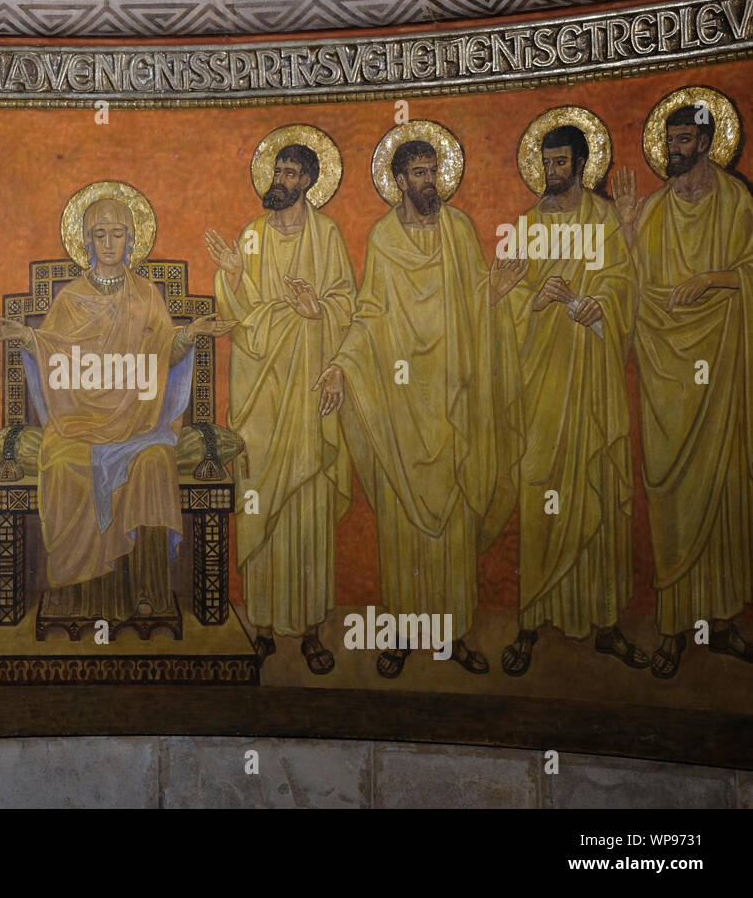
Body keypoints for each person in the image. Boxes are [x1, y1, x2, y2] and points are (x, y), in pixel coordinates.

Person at [317, 132, 523, 678]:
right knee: (404, 525)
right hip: (401, 403)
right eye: (419, 173)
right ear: (399, 181)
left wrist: (495, 294)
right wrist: (340, 364)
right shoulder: (384, 239)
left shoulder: (458, 230)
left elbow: (473, 296)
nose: (430, 181)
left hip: (451, 396)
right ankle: (405, 633)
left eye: (434, 171)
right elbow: (370, 313)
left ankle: (452, 635)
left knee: (451, 529)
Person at [0, 193, 234, 635]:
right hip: (77, 421)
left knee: (156, 464)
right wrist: (25, 336)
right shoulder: (70, 299)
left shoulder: (146, 294)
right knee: (62, 467)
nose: (108, 242)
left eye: (117, 233)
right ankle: (71, 594)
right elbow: (54, 350)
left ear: (131, 238)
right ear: (85, 241)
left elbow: (163, 349)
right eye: (99, 234)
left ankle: (148, 593)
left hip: (137, 423)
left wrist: (190, 334)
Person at [610, 99, 753, 678]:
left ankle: (718, 624)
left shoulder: (735, 200)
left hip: (719, 368)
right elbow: (631, 281)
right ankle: (674, 628)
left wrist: (711, 279)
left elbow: (750, 267)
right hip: (665, 372)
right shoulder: (653, 208)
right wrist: (623, 223)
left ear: (707, 142)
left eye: (684, 139)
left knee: (720, 495)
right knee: (670, 496)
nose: (674, 148)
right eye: (669, 139)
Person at [499, 121, 644, 676]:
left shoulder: (604, 220)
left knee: (598, 493)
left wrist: (597, 303)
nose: (552, 172)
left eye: (562, 163)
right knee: (542, 495)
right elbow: (503, 301)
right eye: (547, 162)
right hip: (541, 386)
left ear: (581, 166)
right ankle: (531, 622)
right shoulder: (525, 226)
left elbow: (622, 282)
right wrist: (534, 302)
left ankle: (606, 625)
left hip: (592, 382)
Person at [205, 139, 355, 672]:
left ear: (310, 181)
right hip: (262, 392)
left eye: (293, 172)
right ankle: (264, 626)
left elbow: (347, 305)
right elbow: (240, 317)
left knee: (307, 505)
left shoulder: (328, 235)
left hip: (310, 385)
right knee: (261, 499)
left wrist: (319, 313)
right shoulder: (252, 236)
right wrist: (234, 274)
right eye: (279, 169)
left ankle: (312, 630)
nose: (282, 178)